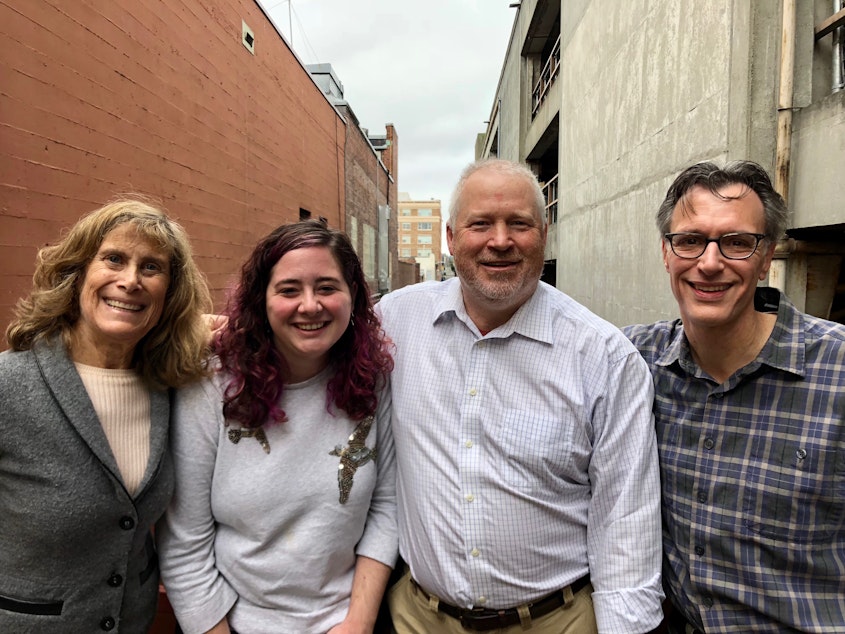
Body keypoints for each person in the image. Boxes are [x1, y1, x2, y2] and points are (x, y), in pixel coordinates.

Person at [377, 159, 664, 634]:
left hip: (555, 620)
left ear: (544, 233)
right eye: (480, 224)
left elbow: (625, 526)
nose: (500, 240)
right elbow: (309, 340)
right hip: (419, 618)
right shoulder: (397, 322)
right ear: (450, 238)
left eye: (519, 224)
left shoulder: (605, 358)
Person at [625, 160, 845, 633]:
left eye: (737, 242)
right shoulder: (632, 363)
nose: (709, 262)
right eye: (689, 240)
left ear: (768, 256)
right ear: (666, 252)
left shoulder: (838, 372)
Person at [157, 220, 396, 634]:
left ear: (353, 295)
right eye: (288, 290)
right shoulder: (212, 385)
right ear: (262, 300)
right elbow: (184, 539)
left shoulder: (372, 382)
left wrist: (358, 622)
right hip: (234, 623)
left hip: (346, 621)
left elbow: (386, 507)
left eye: (326, 287)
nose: (310, 305)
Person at [0, 198, 212, 633]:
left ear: (169, 293)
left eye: (151, 268)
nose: (130, 280)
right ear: (78, 271)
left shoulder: (168, 386)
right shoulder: (8, 385)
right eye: (114, 259)